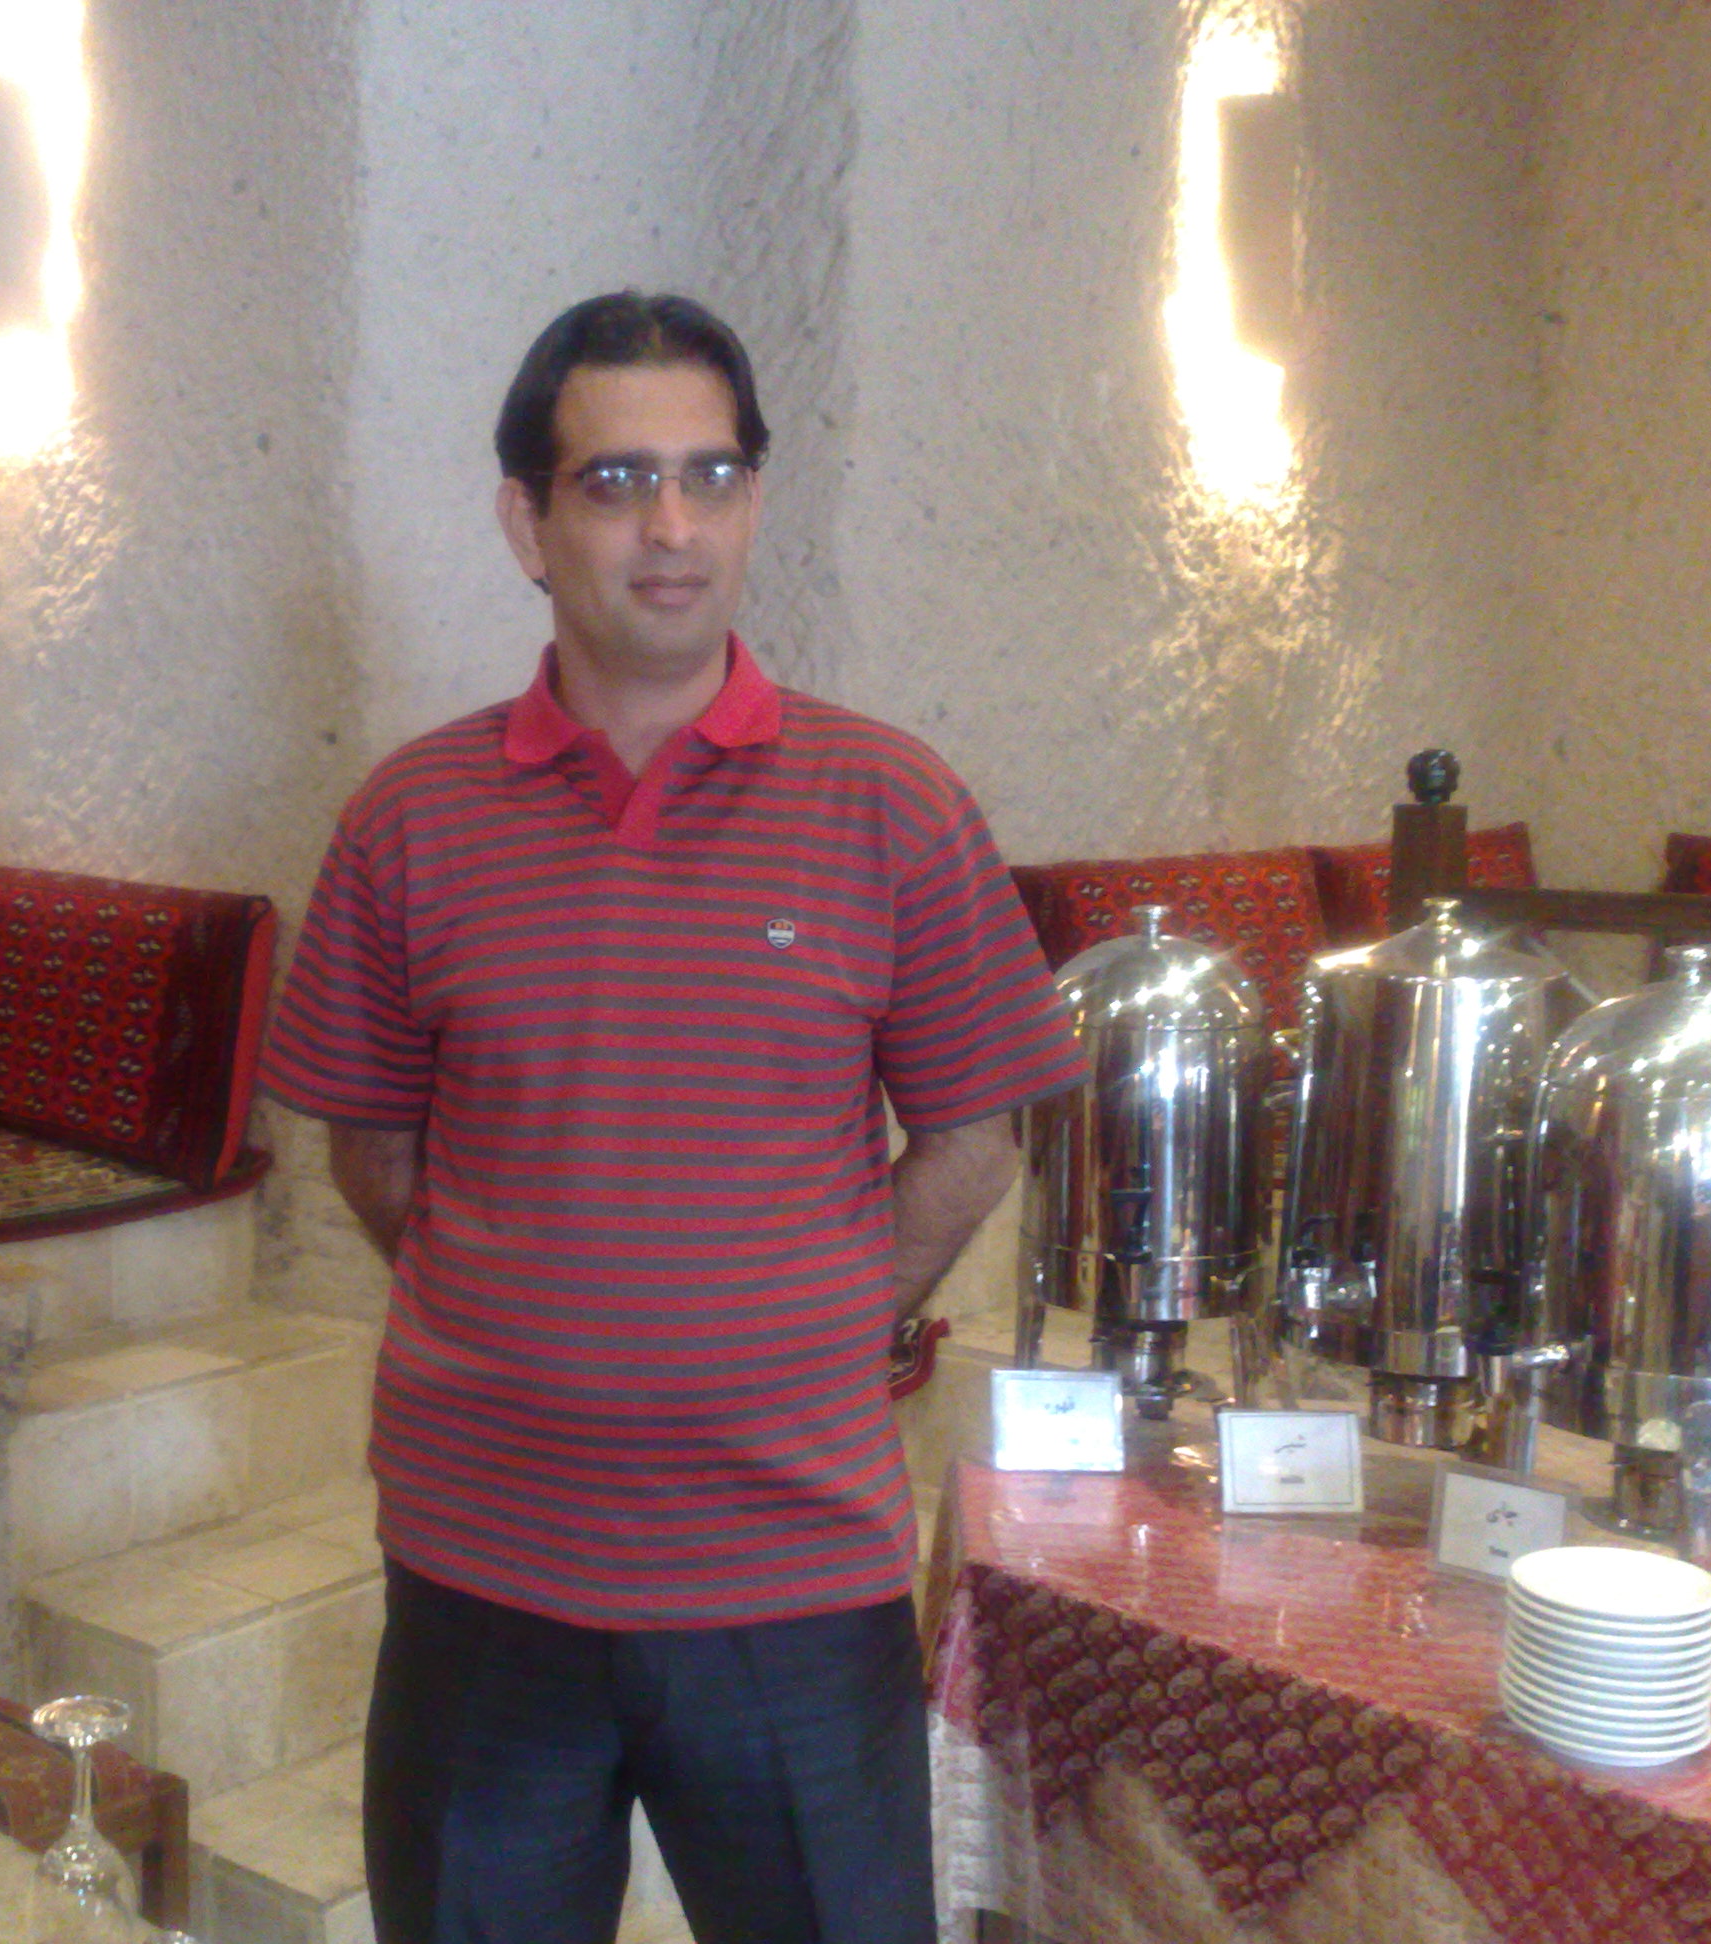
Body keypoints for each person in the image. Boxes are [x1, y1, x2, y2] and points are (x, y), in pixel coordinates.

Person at [261, 290, 1084, 1944]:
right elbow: (372, 1149)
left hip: (791, 1571)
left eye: (712, 474)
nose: (673, 526)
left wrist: (815, 1320)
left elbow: (974, 1140)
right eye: (619, 481)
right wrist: (530, 1310)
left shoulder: (892, 802)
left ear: (756, 500)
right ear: (528, 522)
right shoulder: (409, 818)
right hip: (485, 1567)